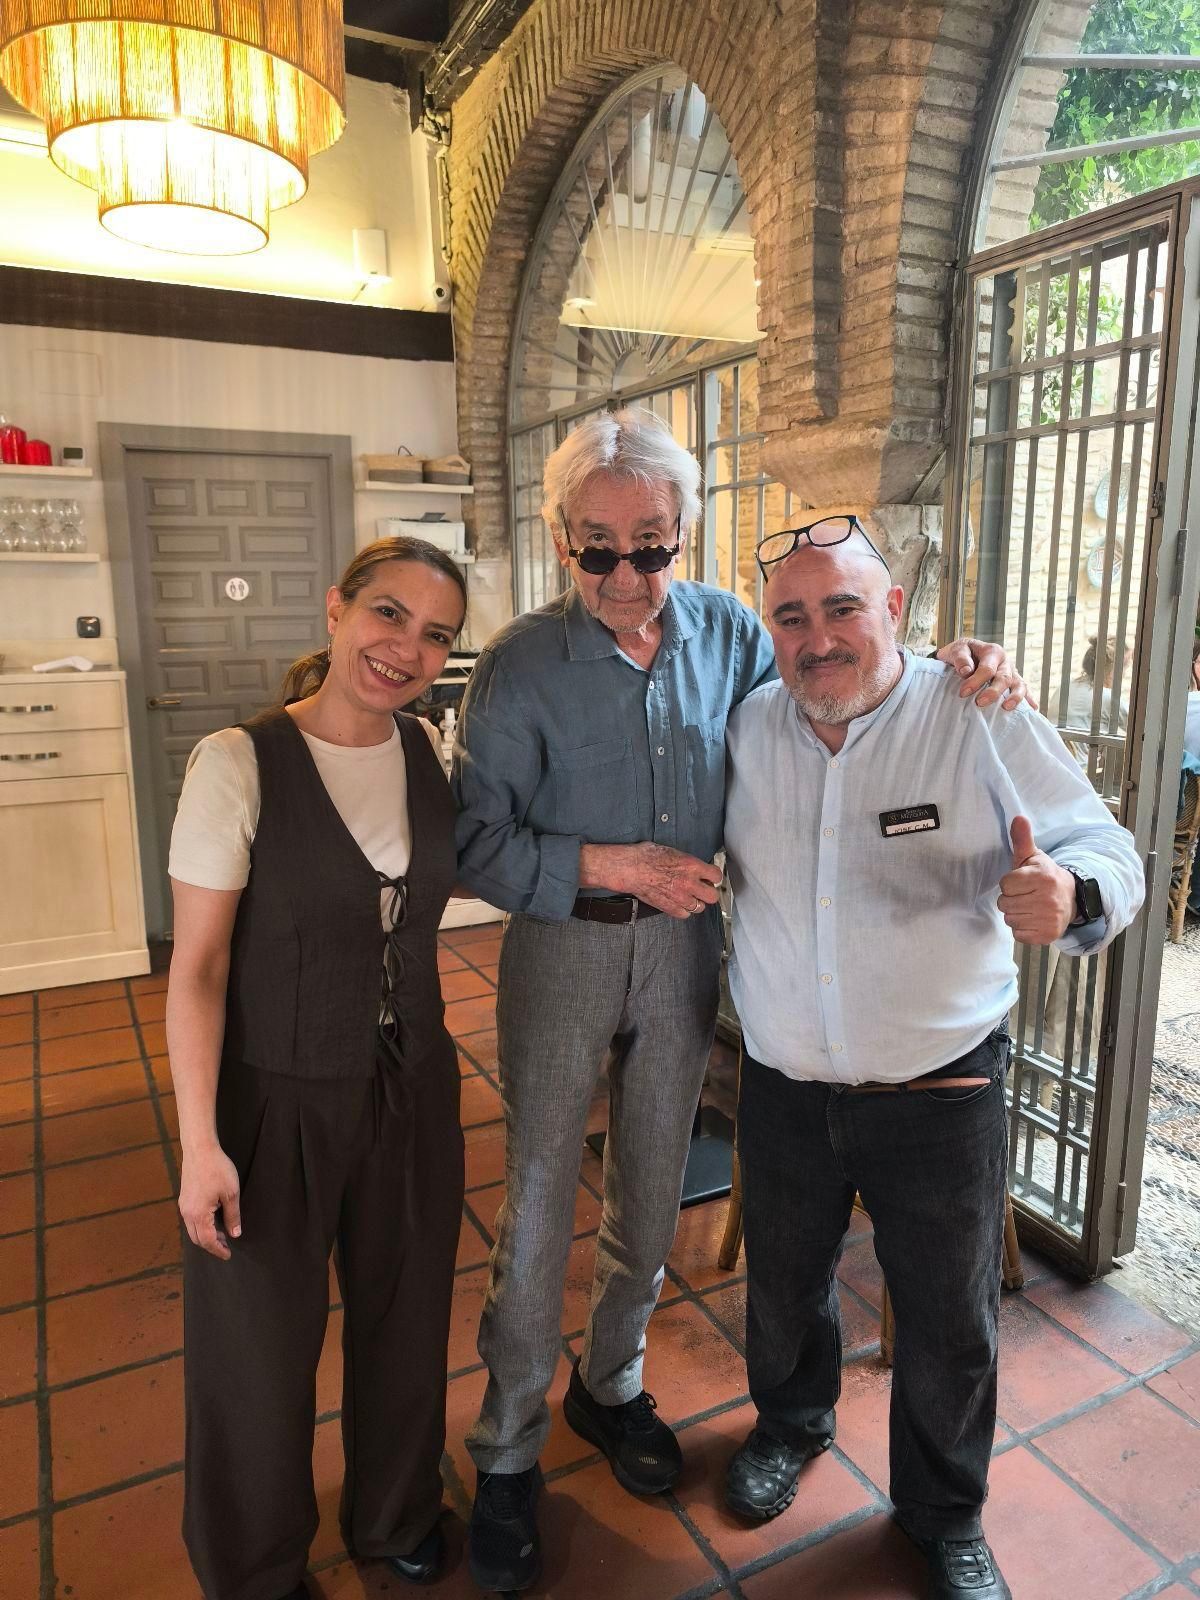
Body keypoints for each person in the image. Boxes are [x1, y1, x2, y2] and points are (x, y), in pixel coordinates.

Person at [450, 409, 1028, 1594]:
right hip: (564, 945)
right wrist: (611, 864)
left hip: (687, 951)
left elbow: (836, 699)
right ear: (560, 540)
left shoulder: (732, 631)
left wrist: (965, 669)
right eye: (597, 548)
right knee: (543, 1196)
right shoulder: (519, 663)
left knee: (652, 1187)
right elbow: (474, 840)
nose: (626, 574)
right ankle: (506, 1449)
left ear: (686, 532)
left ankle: (611, 1384)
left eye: (651, 545)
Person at [721, 516, 1144, 1600]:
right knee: (783, 1285)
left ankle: (942, 1514)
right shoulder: (748, 727)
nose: (819, 638)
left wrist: (1073, 894)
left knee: (951, 1322)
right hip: (783, 1085)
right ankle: (789, 1423)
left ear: (897, 609)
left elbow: (1107, 845)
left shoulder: (975, 712)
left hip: (940, 1093)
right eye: (792, 617)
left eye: (843, 608)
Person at [166, 537, 468, 1600]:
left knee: (406, 1316)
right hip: (274, 1096)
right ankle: (254, 1567)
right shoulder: (238, 762)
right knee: (257, 1351)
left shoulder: (425, 748)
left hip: (413, 1085)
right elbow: (199, 970)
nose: (406, 648)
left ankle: (394, 1512)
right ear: (338, 610)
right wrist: (199, 1144)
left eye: (435, 634)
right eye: (389, 614)